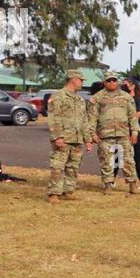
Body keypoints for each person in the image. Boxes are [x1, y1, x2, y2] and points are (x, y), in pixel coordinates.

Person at [45, 69, 92, 204]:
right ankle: (54, 193)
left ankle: (68, 191)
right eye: (81, 80)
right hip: (64, 138)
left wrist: (87, 139)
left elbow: (84, 120)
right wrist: (57, 137)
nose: (82, 83)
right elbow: (54, 118)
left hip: (77, 139)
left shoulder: (80, 100)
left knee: (73, 167)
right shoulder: (58, 96)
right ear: (73, 79)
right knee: (58, 166)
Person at [88, 73, 140, 193]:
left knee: (128, 160)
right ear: (104, 82)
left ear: (118, 82)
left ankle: (132, 184)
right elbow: (91, 117)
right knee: (106, 160)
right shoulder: (97, 98)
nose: (112, 83)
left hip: (123, 134)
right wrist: (92, 134)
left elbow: (132, 116)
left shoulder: (127, 97)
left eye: (114, 80)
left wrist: (135, 132)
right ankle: (108, 185)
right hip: (104, 135)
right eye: (109, 80)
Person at [123, 75, 140, 191]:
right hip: (123, 130)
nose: (123, 87)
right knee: (118, 156)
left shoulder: (139, 99)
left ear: (133, 86)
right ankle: (111, 180)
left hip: (136, 131)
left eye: (126, 85)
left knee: (136, 157)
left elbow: (137, 116)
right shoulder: (122, 98)